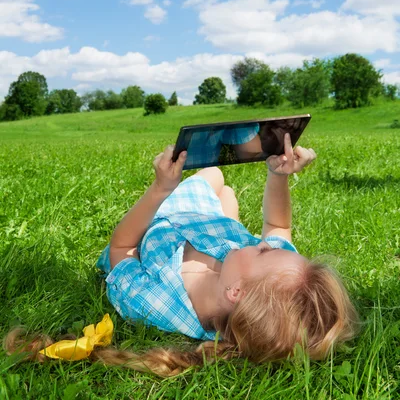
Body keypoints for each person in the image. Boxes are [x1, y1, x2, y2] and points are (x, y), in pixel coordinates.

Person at [5, 134, 358, 377]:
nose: (267, 243)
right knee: (226, 198)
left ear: (236, 291)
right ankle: (227, 211)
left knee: (215, 174)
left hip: (165, 221)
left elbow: (121, 248)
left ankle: (224, 204)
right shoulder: (262, 282)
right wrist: (278, 176)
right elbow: (277, 227)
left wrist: (160, 189)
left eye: (263, 252)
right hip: (213, 230)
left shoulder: (154, 301)